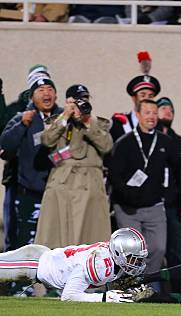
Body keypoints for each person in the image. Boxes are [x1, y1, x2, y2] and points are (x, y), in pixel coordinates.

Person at [35, 84, 113, 248]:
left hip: (90, 186)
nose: (80, 104)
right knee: (57, 240)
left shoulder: (97, 123)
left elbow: (106, 146)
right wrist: (65, 116)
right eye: (76, 101)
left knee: (90, 241)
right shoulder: (57, 121)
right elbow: (47, 140)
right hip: (63, 185)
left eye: (84, 100)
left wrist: (86, 123)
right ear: (67, 102)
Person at [109, 99, 180, 275]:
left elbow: (178, 170)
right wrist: (126, 195)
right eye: (147, 112)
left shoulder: (165, 141)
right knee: (131, 253)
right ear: (138, 115)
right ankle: (129, 286)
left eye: (155, 113)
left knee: (158, 249)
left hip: (154, 206)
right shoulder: (124, 142)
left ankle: (146, 284)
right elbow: (114, 175)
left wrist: (170, 195)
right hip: (127, 208)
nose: (152, 117)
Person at [0, 227, 146, 302]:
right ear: (119, 253)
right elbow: (69, 296)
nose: (137, 263)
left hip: (41, 260)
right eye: (133, 258)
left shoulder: (112, 262)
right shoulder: (100, 263)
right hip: (32, 263)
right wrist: (103, 298)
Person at [0, 77, 62, 248]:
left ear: (56, 95)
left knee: (57, 241)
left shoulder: (64, 117)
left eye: (50, 89)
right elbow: (5, 145)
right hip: (30, 193)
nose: (46, 93)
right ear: (32, 97)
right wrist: (22, 124)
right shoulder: (22, 117)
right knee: (28, 243)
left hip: (59, 193)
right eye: (41, 90)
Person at [156, 97, 181, 269]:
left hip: (172, 207)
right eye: (164, 108)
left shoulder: (180, 142)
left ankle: (179, 293)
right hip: (152, 204)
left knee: (175, 252)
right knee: (153, 251)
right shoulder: (150, 140)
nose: (168, 112)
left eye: (171, 110)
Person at [109, 75, 161, 141]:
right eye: (143, 95)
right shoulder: (119, 123)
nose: (147, 99)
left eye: (150, 96)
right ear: (134, 98)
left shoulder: (159, 125)